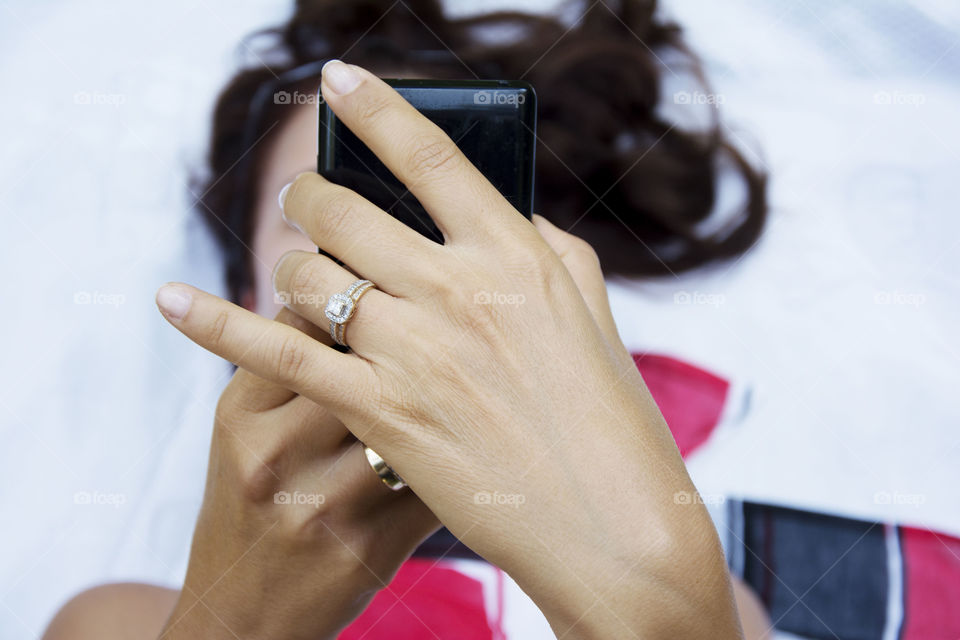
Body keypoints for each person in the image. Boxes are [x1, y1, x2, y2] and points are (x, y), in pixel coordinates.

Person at [44, 1, 771, 638]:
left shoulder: (695, 600)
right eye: (325, 217)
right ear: (242, 292)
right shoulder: (119, 623)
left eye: (429, 229)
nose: (386, 268)